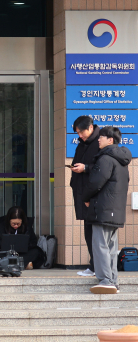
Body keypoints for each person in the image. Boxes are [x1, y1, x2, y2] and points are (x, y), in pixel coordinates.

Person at [83, 126, 131, 294]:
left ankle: (105, 280)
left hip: (102, 208)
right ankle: (113, 281)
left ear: (110, 140)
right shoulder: (121, 160)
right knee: (111, 246)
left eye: (101, 137)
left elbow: (96, 182)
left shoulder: (105, 159)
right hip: (115, 210)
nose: (98, 139)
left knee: (100, 245)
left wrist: (86, 197)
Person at [70, 115, 101, 277]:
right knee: (88, 230)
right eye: (77, 132)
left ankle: (98, 267)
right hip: (83, 191)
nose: (79, 135)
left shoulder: (101, 142)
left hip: (94, 194)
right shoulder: (82, 144)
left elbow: (104, 167)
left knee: (96, 232)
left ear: (90, 127)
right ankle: (93, 265)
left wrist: (86, 168)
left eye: (81, 132)